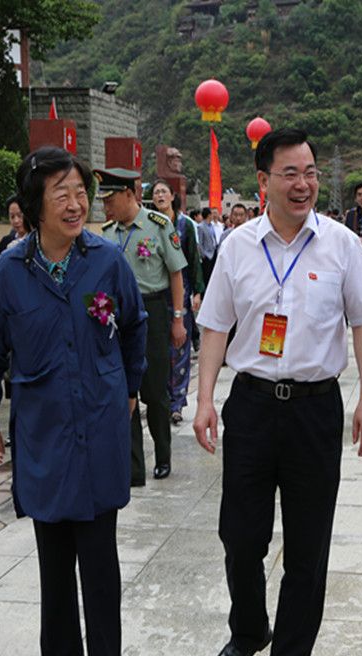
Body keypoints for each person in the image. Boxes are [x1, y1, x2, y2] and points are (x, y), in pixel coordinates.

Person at [193, 127, 362, 656]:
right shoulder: (238, 247)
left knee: (308, 545)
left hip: (314, 411)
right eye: (290, 173)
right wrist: (204, 399)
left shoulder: (343, 245)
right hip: (250, 405)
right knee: (240, 537)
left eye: (310, 173)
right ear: (263, 181)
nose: (303, 184)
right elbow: (215, 326)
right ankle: (248, 630)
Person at [0, 146, 147, 656]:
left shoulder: (107, 261)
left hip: (98, 427)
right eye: (61, 194)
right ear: (34, 204)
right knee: (53, 561)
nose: (75, 205)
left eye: (80, 193)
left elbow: (134, 327)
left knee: (100, 560)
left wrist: (129, 388)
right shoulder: (10, 273)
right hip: (43, 432)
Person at [98, 168, 188, 485]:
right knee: (125, 390)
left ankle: (163, 456)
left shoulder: (158, 226)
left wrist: (178, 319)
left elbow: (176, 273)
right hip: (117, 317)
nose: (106, 207)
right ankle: (133, 467)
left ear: (129, 195)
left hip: (152, 312)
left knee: (155, 391)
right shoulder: (107, 233)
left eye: (110, 200)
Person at [151, 179, 204, 424]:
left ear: (172, 196)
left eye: (163, 191)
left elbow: (194, 260)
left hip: (181, 294)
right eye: (155, 192)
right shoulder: (149, 224)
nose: (159, 195)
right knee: (160, 350)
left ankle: (177, 403)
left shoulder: (185, 225)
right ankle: (163, 399)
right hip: (157, 294)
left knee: (180, 348)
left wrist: (198, 292)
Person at [196, 207, 218, 288]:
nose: (213, 216)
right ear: (209, 215)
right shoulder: (201, 227)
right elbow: (200, 243)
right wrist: (203, 255)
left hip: (214, 252)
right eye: (212, 214)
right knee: (206, 275)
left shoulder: (211, 225)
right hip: (207, 255)